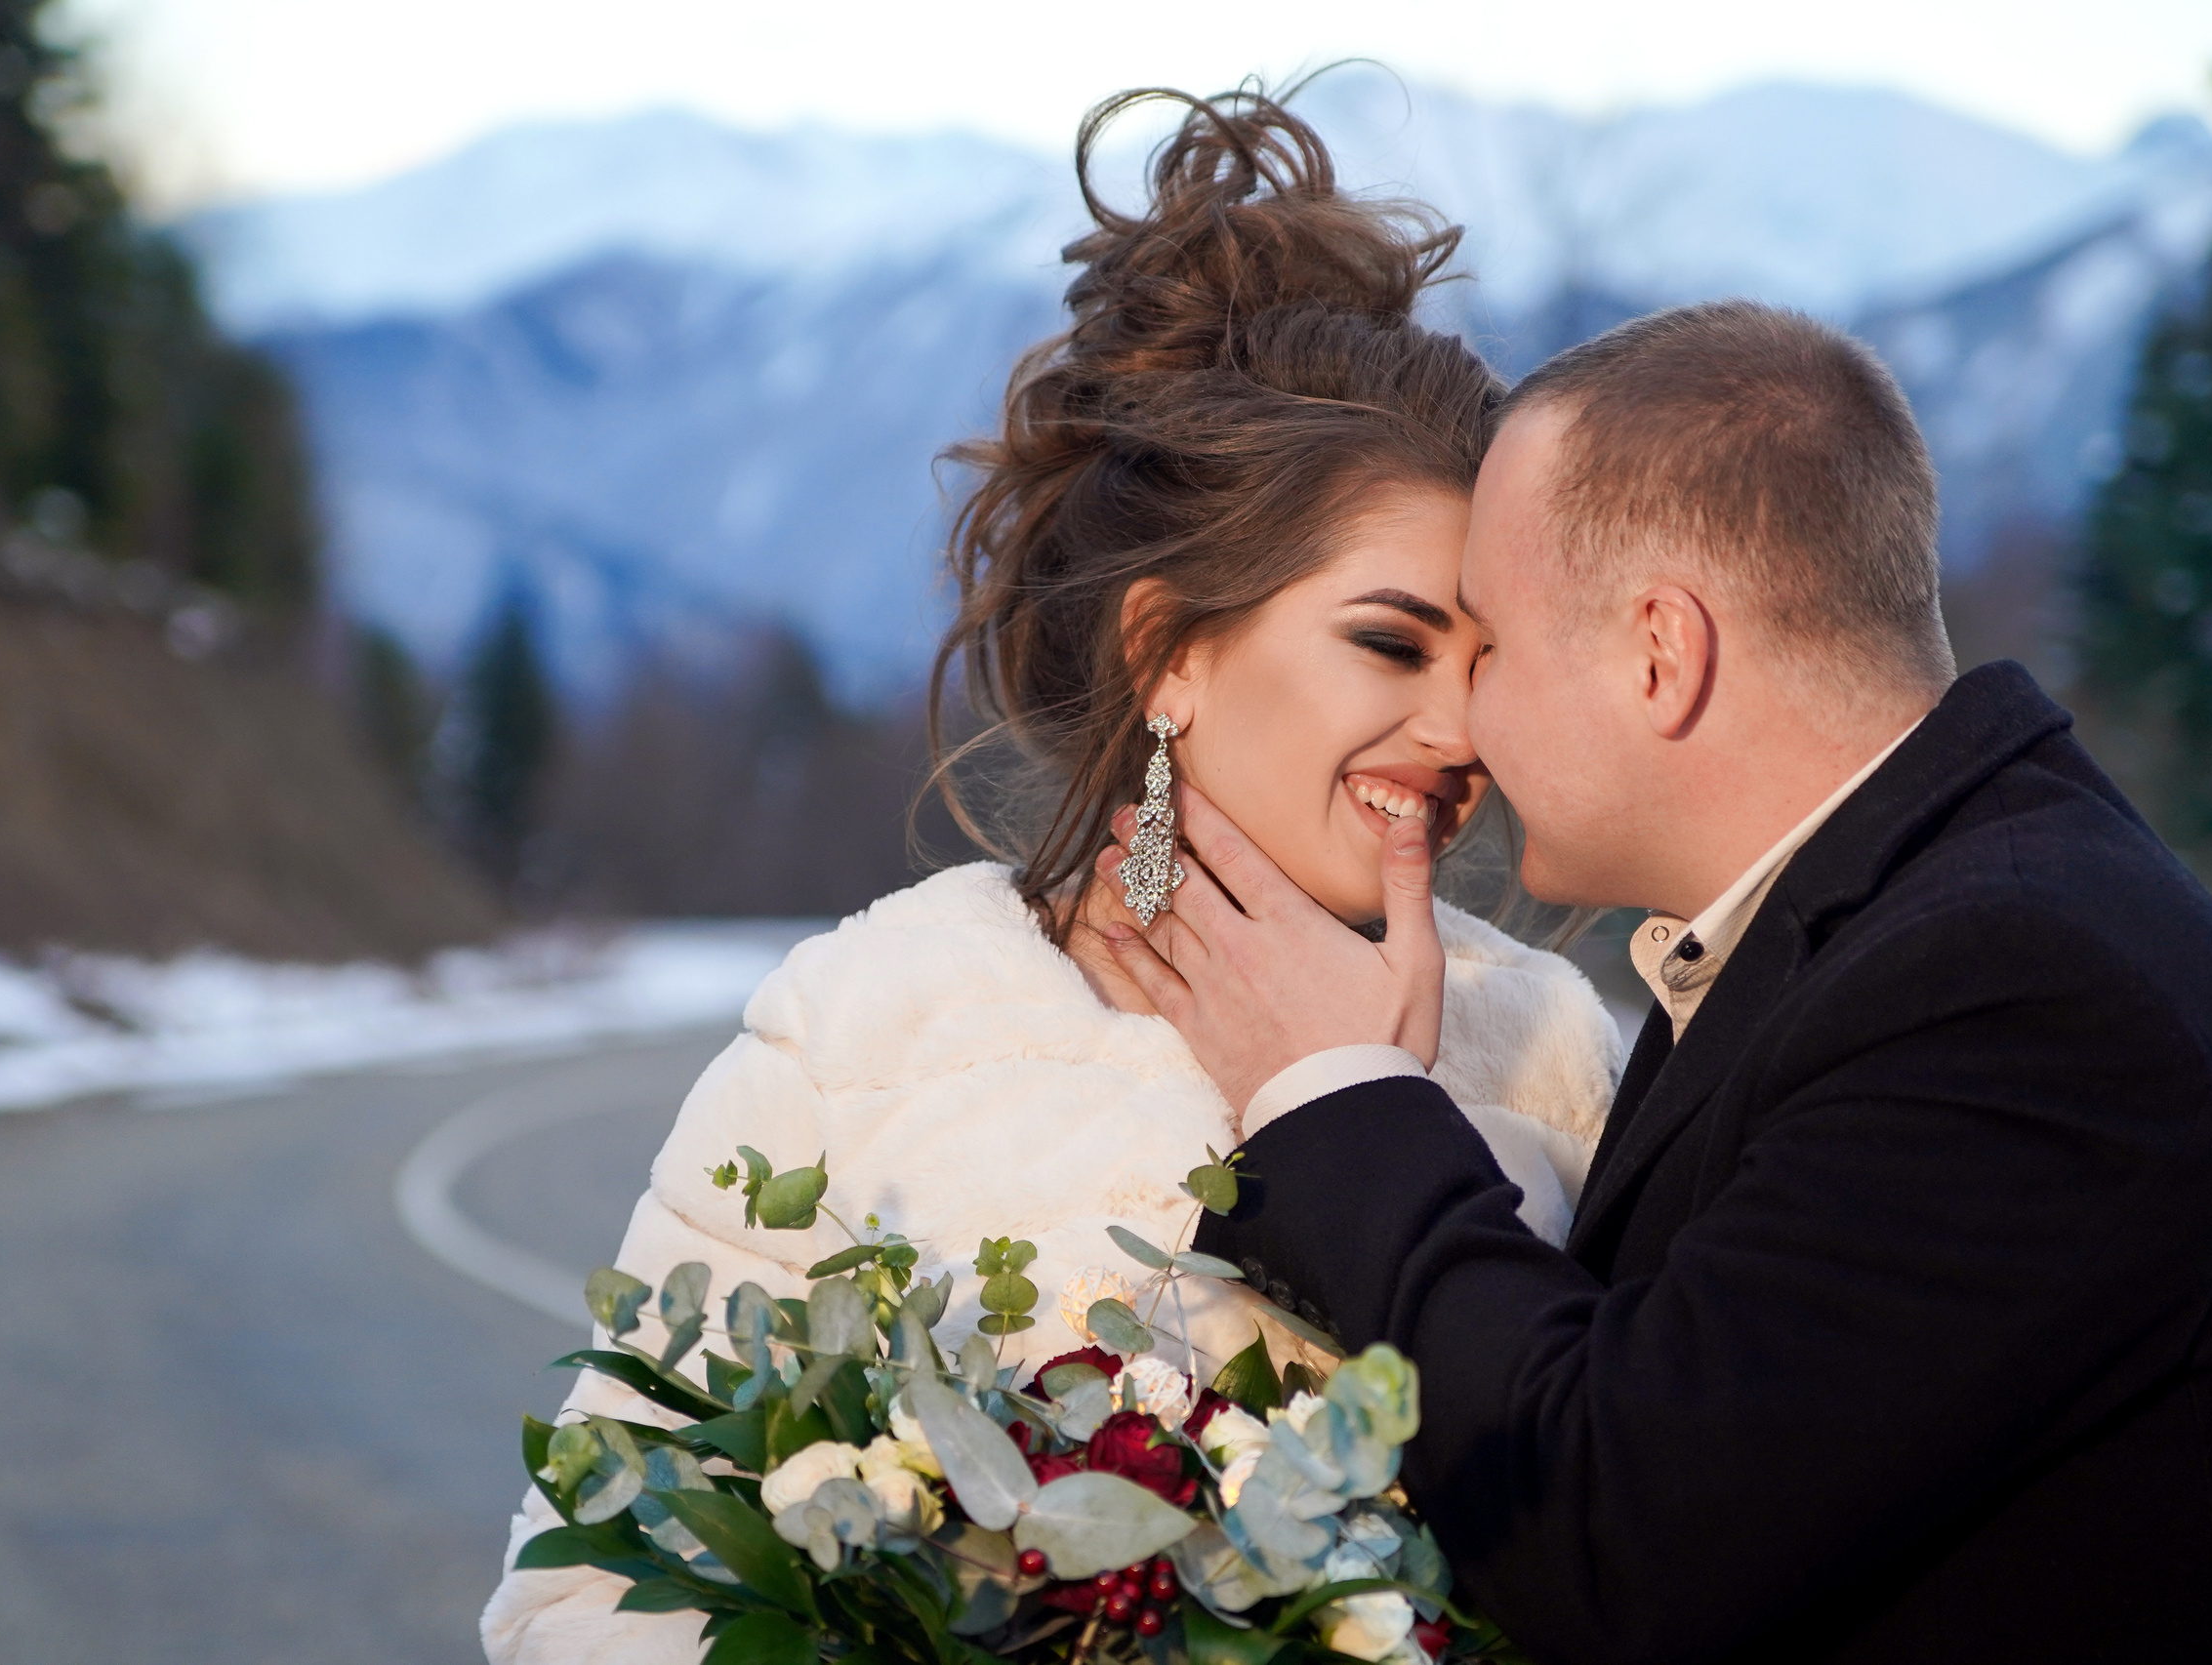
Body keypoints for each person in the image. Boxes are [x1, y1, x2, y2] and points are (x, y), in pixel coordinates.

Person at [478, 88, 1623, 1664]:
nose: (1456, 725)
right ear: (1167, 650)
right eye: (1390, 642)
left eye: (1488, 661)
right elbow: (582, 1584)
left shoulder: (1559, 1047)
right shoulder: (871, 1017)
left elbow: (1657, 1549)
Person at [1104, 303, 2212, 1662]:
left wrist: (1338, 1095)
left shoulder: (2026, 991)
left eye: (1498, 647)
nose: (1469, 726)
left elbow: (1630, 1531)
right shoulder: (1897, 933)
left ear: (1660, 651)